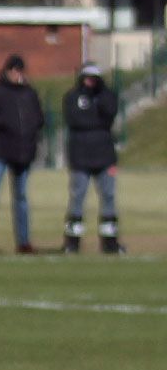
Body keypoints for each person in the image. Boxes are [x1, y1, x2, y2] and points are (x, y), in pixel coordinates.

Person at [0, 53, 45, 254]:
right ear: (6, 71)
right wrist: (2, 123)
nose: (16, 74)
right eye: (13, 70)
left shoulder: (29, 93)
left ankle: (23, 241)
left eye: (19, 70)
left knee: (21, 198)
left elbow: (39, 118)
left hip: (22, 153)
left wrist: (30, 137)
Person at [60, 62, 123, 255]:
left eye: (93, 78)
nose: (90, 82)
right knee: (77, 197)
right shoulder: (72, 97)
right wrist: (94, 119)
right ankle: (72, 243)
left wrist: (96, 109)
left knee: (109, 196)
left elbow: (109, 115)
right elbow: (75, 120)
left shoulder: (106, 96)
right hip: (80, 155)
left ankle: (110, 243)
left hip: (104, 155)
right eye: (86, 77)